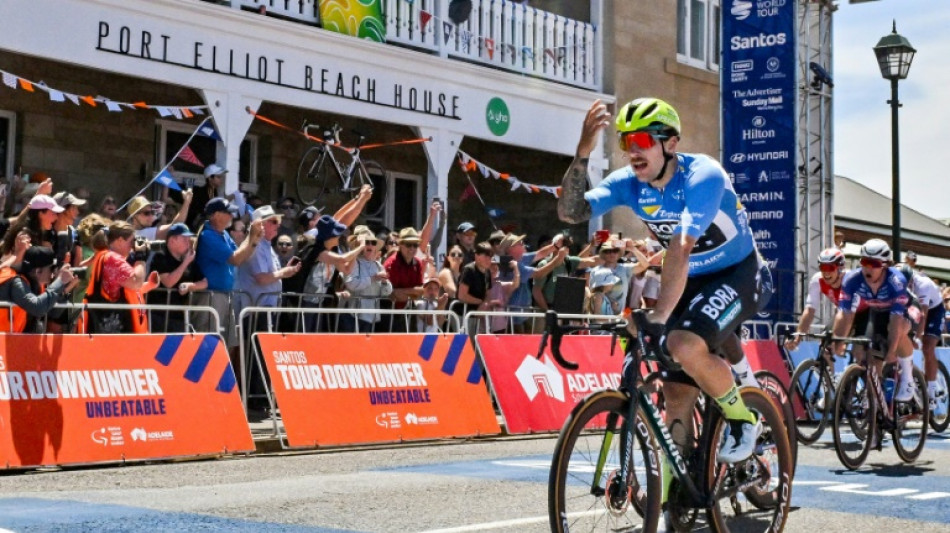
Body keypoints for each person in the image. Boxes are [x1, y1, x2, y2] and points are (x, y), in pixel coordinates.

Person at [557, 97, 762, 462]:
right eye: (625, 142)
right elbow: (571, 212)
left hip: (737, 272)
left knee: (682, 344)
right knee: (675, 393)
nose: (632, 151)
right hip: (689, 278)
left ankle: (742, 419)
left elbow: (681, 246)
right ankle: (677, 499)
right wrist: (583, 151)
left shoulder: (703, 174)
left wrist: (659, 317)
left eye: (642, 141)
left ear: (670, 143)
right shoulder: (629, 183)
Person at [832, 239, 916, 406]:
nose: (867, 268)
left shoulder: (896, 281)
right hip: (877, 311)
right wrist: (838, 341)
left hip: (905, 310)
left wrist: (892, 352)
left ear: (885, 265)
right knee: (870, 351)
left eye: (873, 263)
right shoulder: (851, 279)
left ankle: (907, 377)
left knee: (900, 332)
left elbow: (896, 320)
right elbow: (845, 314)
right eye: (864, 262)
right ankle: (874, 397)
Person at [194, 197, 264, 345]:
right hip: (211, 298)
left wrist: (254, 240)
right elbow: (236, 259)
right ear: (215, 215)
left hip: (225, 295)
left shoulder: (223, 234)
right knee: (208, 344)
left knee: (229, 343)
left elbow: (241, 255)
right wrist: (251, 236)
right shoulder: (208, 236)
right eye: (228, 212)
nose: (232, 216)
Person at [82, 221, 157, 333]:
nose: (133, 247)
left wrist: (149, 285)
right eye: (131, 242)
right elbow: (135, 282)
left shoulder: (104, 256)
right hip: (112, 330)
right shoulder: (113, 259)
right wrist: (140, 258)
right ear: (120, 240)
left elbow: (120, 288)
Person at [898, 263, 946, 415]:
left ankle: (931, 391)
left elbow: (922, 315)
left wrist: (918, 337)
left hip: (933, 310)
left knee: (927, 347)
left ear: (911, 280)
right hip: (913, 308)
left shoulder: (923, 285)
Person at [0, 246, 78, 333]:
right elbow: (37, 308)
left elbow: (52, 312)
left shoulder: (32, 282)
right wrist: (60, 281)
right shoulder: (16, 282)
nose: (52, 273)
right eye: (51, 268)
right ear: (38, 271)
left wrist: (63, 288)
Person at [147, 223, 207, 332]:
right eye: (185, 239)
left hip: (180, 316)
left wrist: (190, 286)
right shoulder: (160, 256)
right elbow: (168, 282)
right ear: (172, 240)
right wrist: (185, 263)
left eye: (189, 239)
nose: (189, 243)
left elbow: (204, 282)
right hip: (159, 315)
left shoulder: (188, 259)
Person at [785, 247, 848, 351]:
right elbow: (809, 311)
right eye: (823, 267)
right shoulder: (817, 280)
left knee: (860, 351)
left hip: (862, 313)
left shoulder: (849, 280)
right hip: (843, 313)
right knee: (825, 346)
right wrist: (797, 338)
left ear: (840, 268)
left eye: (830, 268)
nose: (826, 273)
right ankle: (828, 367)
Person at [343, 231, 393, 332]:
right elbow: (351, 284)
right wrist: (373, 278)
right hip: (354, 314)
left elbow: (387, 292)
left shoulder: (378, 265)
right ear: (361, 246)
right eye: (366, 242)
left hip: (371, 315)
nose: (370, 245)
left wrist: (384, 282)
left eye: (373, 243)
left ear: (375, 248)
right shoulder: (354, 262)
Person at [383, 227, 428, 332]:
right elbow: (392, 294)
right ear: (400, 245)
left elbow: (421, 291)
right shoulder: (391, 264)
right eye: (408, 244)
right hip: (390, 314)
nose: (412, 248)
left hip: (409, 313)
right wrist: (412, 292)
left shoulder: (418, 263)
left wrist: (404, 292)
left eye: (415, 245)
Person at [486, 254, 520, 333]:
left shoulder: (500, 284)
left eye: (496, 265)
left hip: (499, 328)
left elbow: (515, 284)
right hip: (482, 326)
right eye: (491, 265)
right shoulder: (481, 282)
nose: (494, 268)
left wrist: (515, 268)